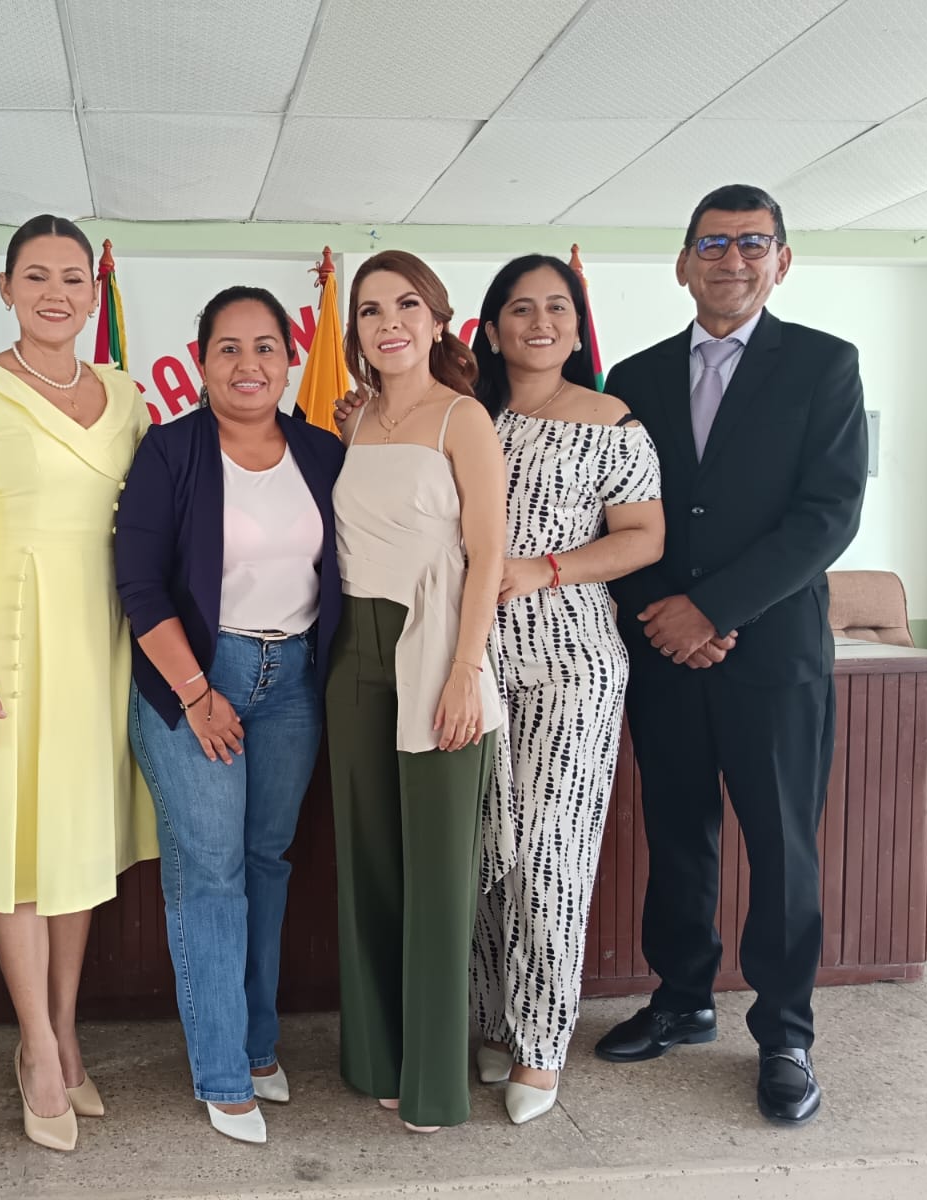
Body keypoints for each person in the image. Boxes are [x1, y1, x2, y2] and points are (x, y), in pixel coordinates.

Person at [594, 184, 869, 1127]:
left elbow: (827, 516)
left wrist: (711, 610)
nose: (733, 259)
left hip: (775, 658)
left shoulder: (825, 365)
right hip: (664, 653)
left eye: (754, 242)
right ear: (683, 264)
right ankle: (683, 999)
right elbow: (610, 513)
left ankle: (785, 1033)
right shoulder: (634, 377)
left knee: (783, 849)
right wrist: (662, 614)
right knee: (677, 834)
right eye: (713, 243)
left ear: (781, 261)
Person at [0, 214, 158, 1153]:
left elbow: (150, 518)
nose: (57, 293)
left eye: (73, 279)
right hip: (4, 634)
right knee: (14, 847)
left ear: (94, 295)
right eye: (37, 276)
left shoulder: (125, 393)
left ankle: (65, 1030)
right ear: (6, 287)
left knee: (76, 845)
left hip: (99, 632)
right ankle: (37, 1049)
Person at [115, 287, 345, 1144]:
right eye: (229, 349)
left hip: (294, 681)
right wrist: (196, 693)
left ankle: (255, 1044)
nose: (249, 365)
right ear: (202, 360)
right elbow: (139, 584)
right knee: (211, 872)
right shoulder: (170, 450)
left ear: (290, 358)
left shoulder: (321, 451)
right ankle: (220, 1070)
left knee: (266, 862)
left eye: (265, 348)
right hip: (196, 678)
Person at [463, 255, 665, 1125]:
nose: (539, 321)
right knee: (481, 852)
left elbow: (644, 536)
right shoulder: (464, 415)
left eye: (556, 307)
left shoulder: (612, 421)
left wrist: (543, 569)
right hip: (470, 659)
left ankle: (541, 1046)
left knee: (549, 854)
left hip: (570, 661)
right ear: (492, 327)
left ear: (578, 328)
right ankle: (490, 1020)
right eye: (520, 307)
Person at [326, 250, 509, 1133]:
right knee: (367, 863)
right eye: (369, 309)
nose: (388, 321)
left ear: (438, 320)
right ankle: (376, 1057)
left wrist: (466, 669)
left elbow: (488, 552)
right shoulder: (355, 418)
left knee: (437, 874)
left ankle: (433, 1079)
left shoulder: (463, 418)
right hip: (352, 653)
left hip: (436, 648)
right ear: (355, 331)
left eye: (406, 305)